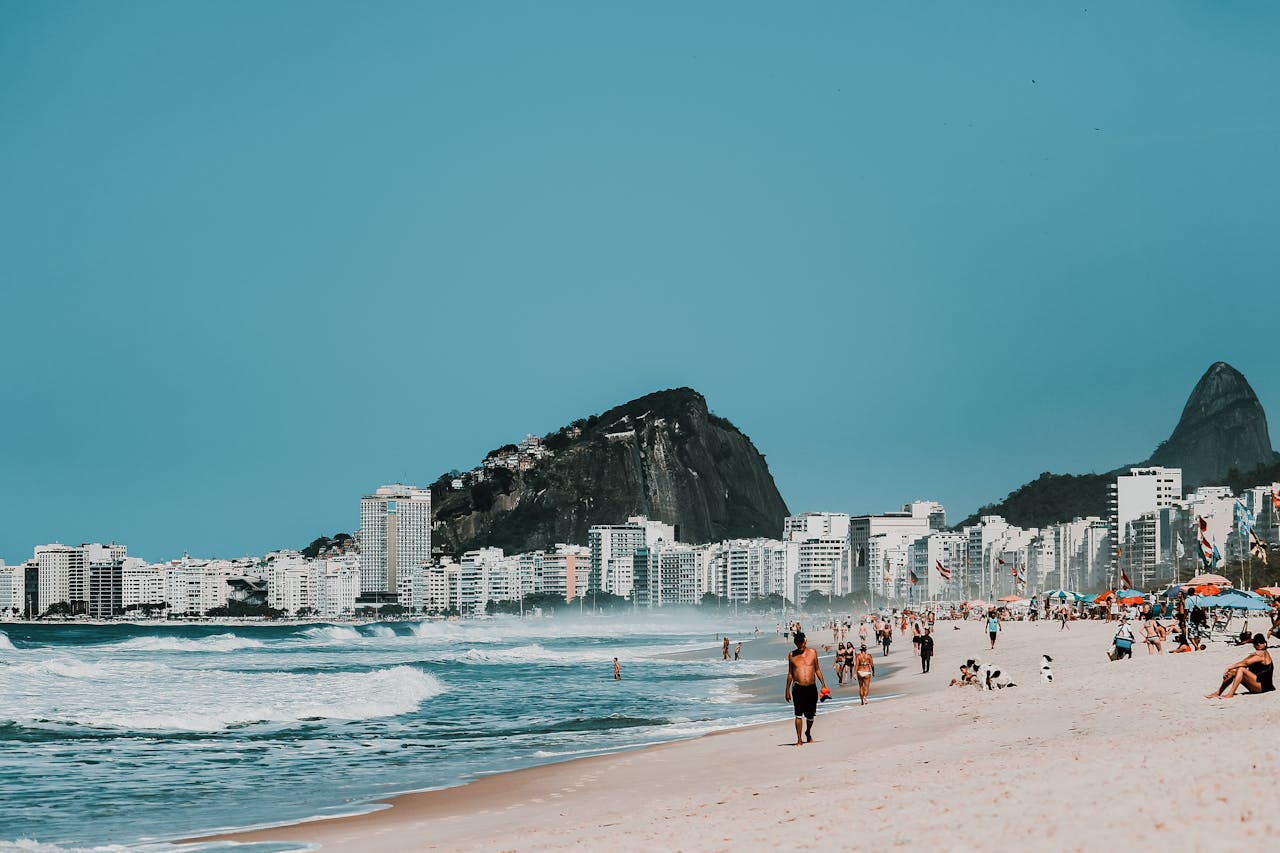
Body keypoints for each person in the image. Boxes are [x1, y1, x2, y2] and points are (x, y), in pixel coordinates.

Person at [784, 631, 827, 745]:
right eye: (797, 643)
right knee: (798, 714)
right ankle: (799, 739)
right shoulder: (792, 655)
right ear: (795, 642)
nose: (800, 645)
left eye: (801, 642)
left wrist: (823, 684)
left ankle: (808, 732)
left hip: (811, 687)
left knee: (811, 715)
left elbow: (817, 669)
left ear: (805, 641)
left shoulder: (813, 653)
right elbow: (790, 674)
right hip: (798, 688)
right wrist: (787, 690)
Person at [1206, 634, 1274, 698]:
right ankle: (1218, 692)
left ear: (1258, 644)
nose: (1253, 646)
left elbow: (1245, 663)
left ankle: (1230, 694)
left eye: (1254, 645)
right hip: (1257, 684)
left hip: (1263, 687)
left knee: (1241, 669)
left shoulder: (1262, 655)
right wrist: (1231, 670)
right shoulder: (1260, 652)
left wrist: (1228, 667)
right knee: (1233, 672)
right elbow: (1244, 661)